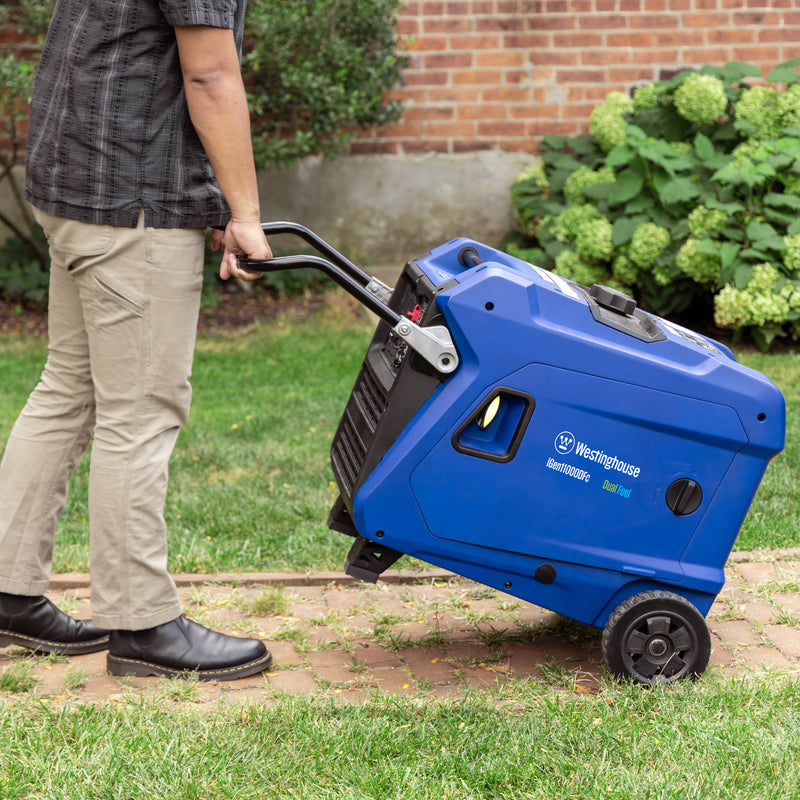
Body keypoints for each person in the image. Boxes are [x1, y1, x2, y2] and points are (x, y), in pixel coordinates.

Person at [0, 0, 275, 681]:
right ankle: (142, 624)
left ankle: (7, 591)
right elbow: (209, 74)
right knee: (140, 409)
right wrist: (243, 212)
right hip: (131, 203)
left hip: (77, 187)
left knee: (69, 389)